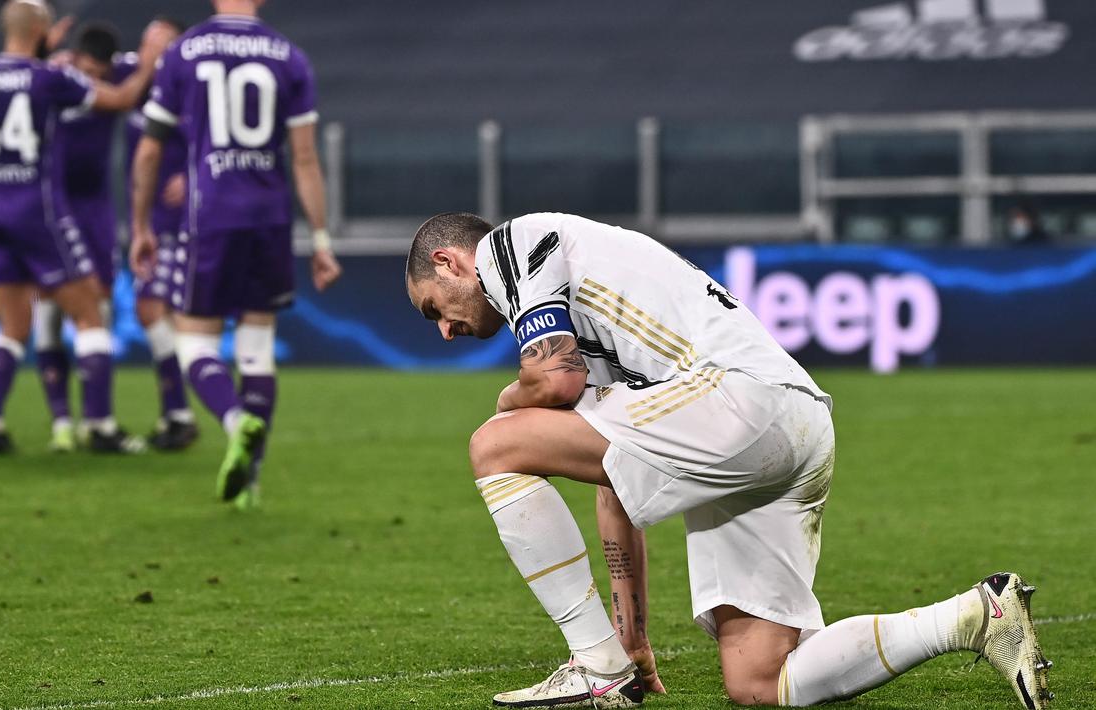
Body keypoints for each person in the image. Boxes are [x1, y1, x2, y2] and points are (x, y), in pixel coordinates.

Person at [404, 212, 1053, 708]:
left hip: (734, 402)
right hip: (795, 424)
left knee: (495, 440)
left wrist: (510, 397)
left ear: (450, 261)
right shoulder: (597, 308)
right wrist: (631, 641)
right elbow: (614, 475)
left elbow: (554, 382)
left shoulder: (510, 247)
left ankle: (591, 664)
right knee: (758, 679)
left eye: (434, 307)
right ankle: (975, 616)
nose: (443, 330)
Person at [130, 0, 343, 507]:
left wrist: (140, 224)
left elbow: (149, 148)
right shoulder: (288, 56)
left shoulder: (185, 51)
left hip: (210, 216)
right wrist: (320, 240)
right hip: (269, 217)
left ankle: (233, 421)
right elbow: (306, 158)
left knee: (196, 346)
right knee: (256, 350)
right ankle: (251, 482)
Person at [0, 0, 166, 454]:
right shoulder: (49, 78)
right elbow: (118, 100)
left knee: (13, 326)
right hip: (36, 210)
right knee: (90, 315)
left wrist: (39, 47)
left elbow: (15, 77)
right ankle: (100, 427)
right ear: (42, 28)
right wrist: (149, 66)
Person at [33, 21, 168, 453]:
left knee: (102, 309)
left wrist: (152, 56)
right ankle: (62, 424)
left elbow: (159, 77)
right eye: (85, 68)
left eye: (97, 71)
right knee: (49, 312)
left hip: (94, 210)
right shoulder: (57, 75)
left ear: (108, 65)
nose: (90, 78)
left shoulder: (123, 70)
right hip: (53, 207)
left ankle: (97, 421)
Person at [123, 16, 200, 452]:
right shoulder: (131, 77)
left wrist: (193, 178)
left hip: (178, 224)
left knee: (152, 309)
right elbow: (89, 68)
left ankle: (181, 413)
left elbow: (215, 145)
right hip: (148, 221)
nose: (151, 52)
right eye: (146, 43)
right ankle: (179, 414)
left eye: (161, 45)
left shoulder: (189, 94)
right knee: (158, 315)